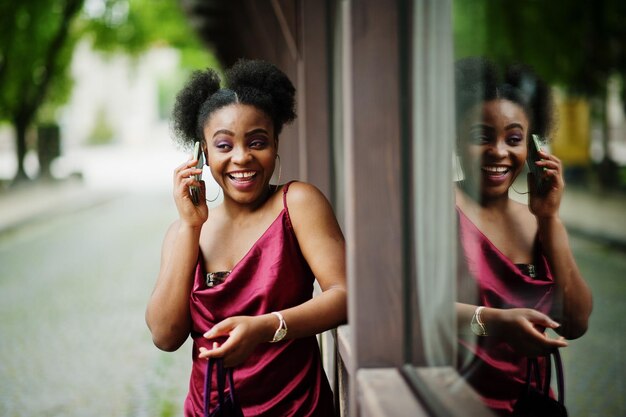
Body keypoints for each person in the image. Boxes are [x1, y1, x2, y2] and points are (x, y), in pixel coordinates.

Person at [145, 59, 347, 417]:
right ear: (202, 154)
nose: (242, 157)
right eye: (224, 145)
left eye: (257, 142)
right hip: (207, 408)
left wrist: (266, 328)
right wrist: (191, 227)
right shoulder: (183, 232)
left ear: (274, 144)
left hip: (295, 407)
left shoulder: (297, 203)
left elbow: (345, 297)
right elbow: (165, 336)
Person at [453, 57, 593, 416]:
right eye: (480, 136)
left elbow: (576, 323)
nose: (499, 151)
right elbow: (411, 312)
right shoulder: (435, 212)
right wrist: (495, 322)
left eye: (513, 138)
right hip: (455, 403)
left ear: (531, 148)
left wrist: (549, 219)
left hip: (529, 404)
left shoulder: (536, 220)